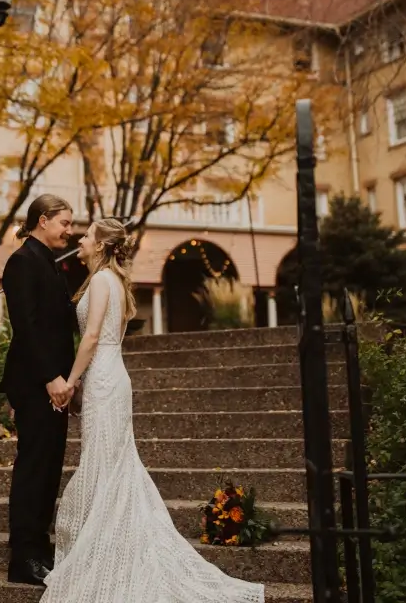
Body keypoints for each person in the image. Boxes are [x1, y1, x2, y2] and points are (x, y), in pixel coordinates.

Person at [40, 218, 265, 603]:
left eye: (88, 236)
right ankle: (111, 545)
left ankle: (107, 552)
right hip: (113, 375)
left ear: (102, 245)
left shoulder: (99, 282)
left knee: (105, 465)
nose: (80, 240)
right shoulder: (113, 281)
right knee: (112, 465)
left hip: (104, 378)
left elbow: (92, 336)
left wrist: (72, 381)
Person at [0, 194, 78, 586]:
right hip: (35, 384)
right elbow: (26, 328)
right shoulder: (21, 263)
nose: (70, 229)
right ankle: (23, 558)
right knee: (33, 468)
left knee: (49, 468)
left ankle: (40, 547)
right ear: (43, 220)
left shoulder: (49, 263)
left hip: (56, 384)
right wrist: (50, 378)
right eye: (65, 222)